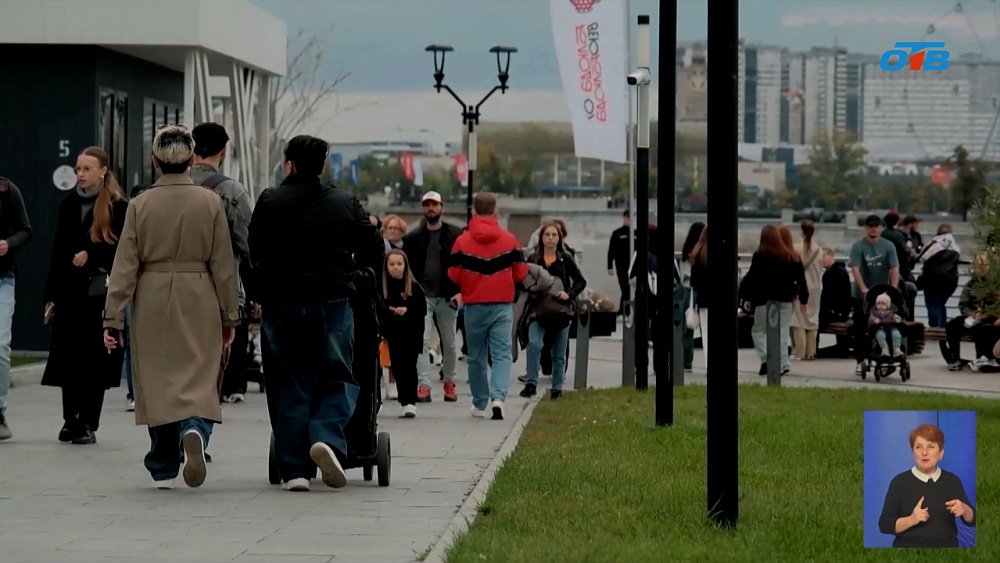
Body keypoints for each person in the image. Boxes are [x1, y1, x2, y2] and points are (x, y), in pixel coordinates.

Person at [102, 125, 238, 489]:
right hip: (200, 293)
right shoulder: (210, 202)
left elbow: (125, 264)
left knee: (157, 377)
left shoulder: (140, 204)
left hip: (152, 294)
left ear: (155, 160)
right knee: (201, 372)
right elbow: (224, 264)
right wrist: (230, 315)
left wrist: (112, 317)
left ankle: (162, 463)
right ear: (192, 160)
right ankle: (194, 428)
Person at [248, 134, 379, 492]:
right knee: (338, 376)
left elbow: (253, 250)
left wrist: (259, 292)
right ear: (322, 165)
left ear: (288, 164)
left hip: (282, 304)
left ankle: (295, 471)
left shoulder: (270, 200)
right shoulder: (344, 202)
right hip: (332, 302)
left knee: (288, 382)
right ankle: (327, 438)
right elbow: (374, 246)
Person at [42, 146, 128, 445]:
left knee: (95, 359)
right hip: (69, 293)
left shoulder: (119, 207)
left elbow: (124, 251)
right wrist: (50, 295)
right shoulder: (68, 205)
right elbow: (57, 251)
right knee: (68, 358)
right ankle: (70, 419)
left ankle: (88, 420)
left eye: (86, 169)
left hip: (100, 294)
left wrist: (89, 256)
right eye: (78, 168)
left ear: (103, 170)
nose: (80, 174)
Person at [190, 122, 254, 404]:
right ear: (224, 151)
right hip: (219, 289)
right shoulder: (233, 192)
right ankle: (200, 421)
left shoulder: (163, 188)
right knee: (214, 360)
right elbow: (249, 245)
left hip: (168, 289)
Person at [448, 192, 527, 420]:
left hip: (474, 306)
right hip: (502, 305)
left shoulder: (462, 241)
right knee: (501, 354)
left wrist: (470, 280)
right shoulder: (510, 240)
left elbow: (453, 273)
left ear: (474, 211)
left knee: (476, 357)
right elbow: (521, 273)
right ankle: (499, 397)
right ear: (495, 211)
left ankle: (479, 402)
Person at [403, 191, 463, 403]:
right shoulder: (413, 238)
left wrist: (460, 290)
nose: (431, 208)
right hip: (422, 297)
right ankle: (424, 385)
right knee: (422, 341)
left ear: (442, 208)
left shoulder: (455, 235)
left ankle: (449, 382)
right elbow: (406, 267)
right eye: (427, 205)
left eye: (434, 205)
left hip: (448, 296)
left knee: (449, 342)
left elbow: (462, 265)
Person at [878, 423, 975, 547]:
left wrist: (965, 509)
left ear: (941, 453)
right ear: (913, 453)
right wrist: (911, 519)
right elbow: (884, 525)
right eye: (918, 447)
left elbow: (973, 520)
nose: (924, 452)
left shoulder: (952, 481)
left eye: (931, 446)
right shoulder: (899, 482)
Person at [519, 222, 586, 400]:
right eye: (547, 235)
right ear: (541, 238)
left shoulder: (565, 259)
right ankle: (531, 382)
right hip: (537, 310)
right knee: (533, 344)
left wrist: (569, 294)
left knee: (559, 352)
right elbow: (522, 280)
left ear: (559, 238)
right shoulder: (533, 259)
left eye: (554, 235)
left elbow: (580, 281)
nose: (550, 238)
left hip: (559, 310)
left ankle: (557, 388)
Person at [739, 225, 808, 376]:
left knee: (758, 331)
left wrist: (744, 296)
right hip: (785, 300)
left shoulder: (760, 255)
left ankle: (766, 358)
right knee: (782, 332)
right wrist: (804, 298)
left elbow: (752, 278)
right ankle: (783, 363)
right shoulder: (790, 256)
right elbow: (801, 278)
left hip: (763, 300)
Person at [0, 175, 32, 441]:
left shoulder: (7, 190)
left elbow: (25, 229)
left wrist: (8, 243)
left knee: (0, 344)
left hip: (3, 277)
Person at [849, 215, 900, 376]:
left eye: (876, 226)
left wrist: (893, 289)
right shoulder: (858, 246)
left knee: (886, 325)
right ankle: (860, 360)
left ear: (880, 227)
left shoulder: (888, 246)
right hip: (862, 295)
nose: (873, 229)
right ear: (865, 228)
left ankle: (886, 355)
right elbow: (855, 269)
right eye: (870, 226)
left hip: (882, 295)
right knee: (860, 328)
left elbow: (894, 268)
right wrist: (863, 288)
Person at [380, 249, 426, 418]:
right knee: (397, 367)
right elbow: (379, 307)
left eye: (399, 264)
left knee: (410, 367)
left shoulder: (414, 288)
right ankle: (403, 399)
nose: (396, 267)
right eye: (392, 264)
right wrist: (390, 310)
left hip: (411, 334)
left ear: (405, 266)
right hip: (392, 334)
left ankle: (410, 402)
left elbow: (421, 310)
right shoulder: (383, 287)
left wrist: (407, 310)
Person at [942, 254, 1000, 371]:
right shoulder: (971, 283)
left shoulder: (994, 284)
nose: (979, 269)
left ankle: (984, 359)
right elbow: (963, 304)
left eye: (982, 266)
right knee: (952, 325)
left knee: (984, 329)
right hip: (972, 317)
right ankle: (955, 358)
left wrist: (986, 314)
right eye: (977, 267)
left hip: (990, 318)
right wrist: (973, 314)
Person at [379, 214, 407, 400]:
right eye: (389, 228)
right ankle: (386, 382)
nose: (392, 232)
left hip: (402, 300)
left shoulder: (407, 250)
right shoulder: (381, 249)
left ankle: (395, 382)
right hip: (386, 302)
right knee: (384, 347)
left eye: (396, 229)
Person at [915, 223, 960, 328]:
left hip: (933, 280)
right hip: (951, 280)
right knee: (941, 304)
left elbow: (922, 257)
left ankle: (936, 326)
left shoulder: (935, 242)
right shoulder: (955, 246)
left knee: (933, 302)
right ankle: (943, 328)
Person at [790, 220, 823, 360]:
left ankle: (799, 352)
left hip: (801, 288)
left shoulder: (795, 249)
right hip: (816, 288)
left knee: (798, 320)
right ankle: (811, 351)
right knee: (812, 320)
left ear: (801, 231)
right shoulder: (819, 250)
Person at [816, 248, 852, 358]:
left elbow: (835, 295)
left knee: (815, 322)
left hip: (838, 311)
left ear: (830, 256)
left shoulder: (838, 272)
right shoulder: (829, 273)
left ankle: (813, 349)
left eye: (822, 257)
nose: (820, 260)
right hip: (835, 309)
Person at [678, 223, 704, 371]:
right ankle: (687, 360)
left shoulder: (686, 251)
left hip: (686, 290)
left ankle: (686, 360)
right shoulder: (700, 251)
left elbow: (684, 274)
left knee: (686, 327)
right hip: (695, 290)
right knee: (696, 326)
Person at [882, 212, 917, 320]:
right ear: (897, 221)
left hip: (886, 270)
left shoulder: (883, 234)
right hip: (900, 270)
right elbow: (905, 252)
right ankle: (908, 317)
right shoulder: (898, 236)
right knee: (908, 292)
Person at [607, 210, 631, 315]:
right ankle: (624, 310)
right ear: (624, 218)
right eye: (628, 217)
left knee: (630, 289)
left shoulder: (636, 233)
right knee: (625, 288)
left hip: (635, 266)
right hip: (621, 265)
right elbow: (611, 250)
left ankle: (625, 310)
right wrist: (609, 266)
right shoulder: (617, 233)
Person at [870, 293, 904, 357]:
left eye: (883, 304)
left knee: (896, 334)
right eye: (878, 303)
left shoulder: (891, 312)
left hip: (892, 327)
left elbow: (895, 316)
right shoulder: (874, 313)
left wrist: (897, 319)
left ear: (888, 305)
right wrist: (875, 320)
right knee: (880, 335)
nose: (880, 305)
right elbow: (871, 318)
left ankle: (896, 349)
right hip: (880, 328)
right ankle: (884, 349)